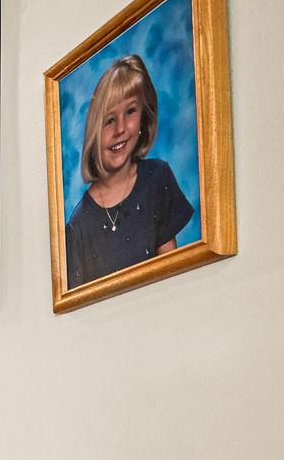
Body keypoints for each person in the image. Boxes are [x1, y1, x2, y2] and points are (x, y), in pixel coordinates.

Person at [62, 53, 193, 289]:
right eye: (109, 120)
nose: (121, 128)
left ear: (144, 116)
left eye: (130, 112)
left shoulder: (157, 178)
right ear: (94, 130)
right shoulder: (79, 223)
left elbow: (175, 274)